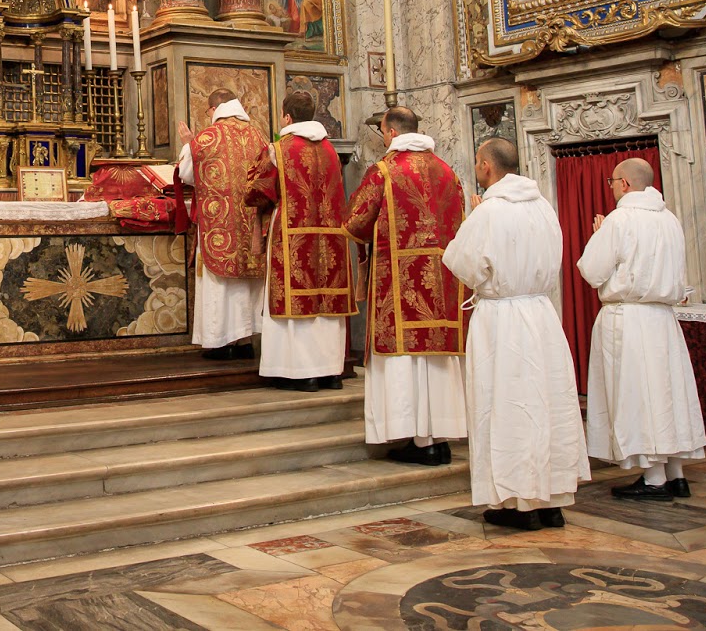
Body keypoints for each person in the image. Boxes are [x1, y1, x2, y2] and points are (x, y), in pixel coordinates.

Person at [442, 139, 589, 530]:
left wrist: (472, 220)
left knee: (507, 406)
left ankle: (517, 504)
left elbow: (461, 263)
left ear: (487, 166)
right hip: (540, 313)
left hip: (502, 318)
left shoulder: (489, 211)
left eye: (476, 162)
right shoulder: (543, 206)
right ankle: (552, 499)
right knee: (546, 404)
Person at [344, 107, 467, 465]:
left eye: (383, 132)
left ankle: (417, 439)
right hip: (442, 285)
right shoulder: (449, 173)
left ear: (392, 133)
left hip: (399, 285)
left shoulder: (384, 171)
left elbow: (355, 222)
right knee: (435, 362)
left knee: (405, 361)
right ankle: (438, 437)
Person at [578, 157, 706, 501]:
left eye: (612, 182)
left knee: (638, 393)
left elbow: (592, 270)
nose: (611, 188)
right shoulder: (670, 219)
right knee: (667, 393)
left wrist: (599, 236)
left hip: (629, 317)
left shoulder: (620, 220)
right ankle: (676, 473)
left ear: (625, 184)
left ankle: (654, 478)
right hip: (663, 319)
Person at [247, 90, 352, 391]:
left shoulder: (279, 150)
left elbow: (256, 190)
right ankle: (331, 371)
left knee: (296, 301)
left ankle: (300, 372)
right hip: (331, 237)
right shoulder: (331, 149)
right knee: (325, 303)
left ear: (287, 117)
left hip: (293, 234)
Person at [177, 89, 272, 360]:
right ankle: (244, 340)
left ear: (214, 108)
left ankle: (220, 342)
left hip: (219, 226)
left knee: (220, 284)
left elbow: (187, 174)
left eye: (208, 111)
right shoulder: (258, 135)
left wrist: (188, 144)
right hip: (251, 223)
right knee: (246, 286)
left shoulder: (207, 137)